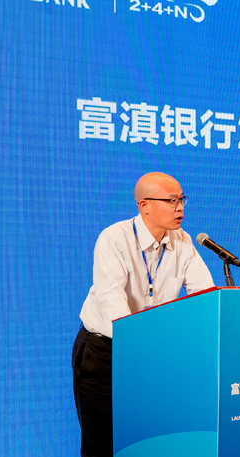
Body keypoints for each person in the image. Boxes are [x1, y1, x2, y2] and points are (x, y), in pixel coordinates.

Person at [72, 172, 215, 456]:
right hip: (105, 353)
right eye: (171, 201)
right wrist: (148, 348)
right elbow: (112, 302)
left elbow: (205, 294)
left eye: (182, 199)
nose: (180, 207)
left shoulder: (183, 241)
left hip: (153, 352)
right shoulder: (115, 238)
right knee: (102, 445)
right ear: (144, 205)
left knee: (148, 443)